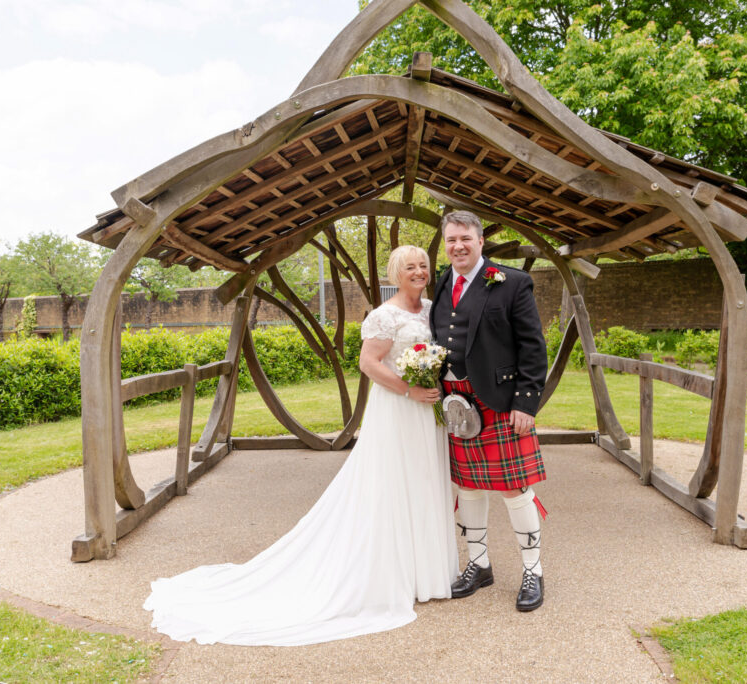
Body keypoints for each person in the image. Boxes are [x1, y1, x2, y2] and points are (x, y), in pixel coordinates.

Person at [143, 245, 457, 646]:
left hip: (426, 412)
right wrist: (409, 390)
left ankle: (426, 571)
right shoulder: (384, 315)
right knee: (393, 483)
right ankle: (392, 572)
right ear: (396, 273)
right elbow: (369, 363)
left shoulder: (433, 309)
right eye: (410, 267)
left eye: (423, 266)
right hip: (399, 408)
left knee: (425, 481)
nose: (419, 272)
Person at [429, 210, 549, 612]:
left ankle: (533, 570)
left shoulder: (511, 281)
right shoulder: (444, 281)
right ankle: (479, 565)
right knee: (468, 487)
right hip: (457, 402)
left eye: (465, 238)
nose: (458, 246)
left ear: (480, 241)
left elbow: (533, 345)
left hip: (499, 402)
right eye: (451, 240)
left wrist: (526, 402)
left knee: (514, 487)